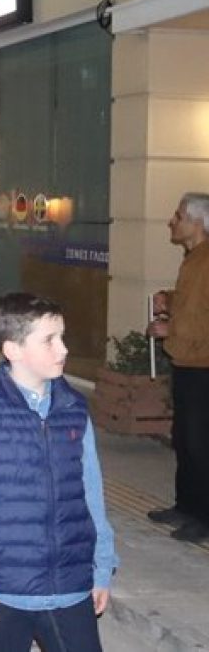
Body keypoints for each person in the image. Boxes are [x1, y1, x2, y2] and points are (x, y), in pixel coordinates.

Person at [0, 293, 118, 651]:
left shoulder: (74, 409)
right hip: (5, 590)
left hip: (70, 584)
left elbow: (91, 494)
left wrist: (101, 565)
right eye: (49, 340)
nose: (63, 349)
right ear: (13, 350)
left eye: (62, 337)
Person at [147, 192, 209, 543]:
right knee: (185, 440)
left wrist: (172, 328)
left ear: (197, 222)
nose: (173, 221)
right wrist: (169, 300)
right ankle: (186, 505)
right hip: (187, 362)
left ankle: (204, 516)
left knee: (201, 443)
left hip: (203, 366)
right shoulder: (193, 259)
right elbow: (195, 305)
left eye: (178, 215)